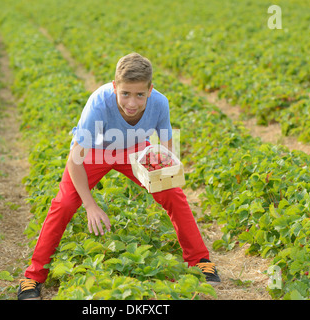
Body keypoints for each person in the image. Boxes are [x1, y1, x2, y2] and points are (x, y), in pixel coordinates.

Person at [17, 52, 220, 300]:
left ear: (150, 90)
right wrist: (90, 205)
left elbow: (167, 149)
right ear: (115, 87)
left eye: (139, 95)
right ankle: (32, 277)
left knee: (173, 194)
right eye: (125, 93)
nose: (132, 103)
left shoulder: (160, 103)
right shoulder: (98, 104)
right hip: (95, 152)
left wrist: (165, 174)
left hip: (135, 149)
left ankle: (200, 261)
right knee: (65, 203)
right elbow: (75, 160)